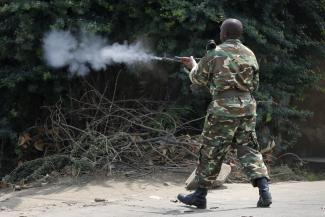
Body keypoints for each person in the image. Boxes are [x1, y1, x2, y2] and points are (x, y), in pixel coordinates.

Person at [177, 18, 272, 209]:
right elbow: (255, 84)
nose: (220, 33)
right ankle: (264, 191)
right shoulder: (250, 54)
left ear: (225, 33)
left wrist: (193, 65)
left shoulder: (215, 53)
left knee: (212, 150)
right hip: (247, 106)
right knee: (249, 148)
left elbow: (198, 79)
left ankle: (200, 196)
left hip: (223, 109)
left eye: (221, 30)